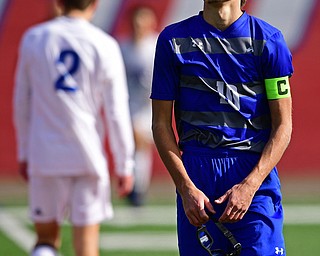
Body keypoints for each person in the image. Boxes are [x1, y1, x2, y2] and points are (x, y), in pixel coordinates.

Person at [151, 0, 293, 255]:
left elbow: (283, 125)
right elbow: (160, 124)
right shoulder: (172, 40)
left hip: (253, 173)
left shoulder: (269, 40)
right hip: (197, 176)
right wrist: (185, 187)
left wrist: (250, 186)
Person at [13, 0, 135, 255]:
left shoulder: (34, 38)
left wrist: (24, 152)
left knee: (45, 240)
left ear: (58, 2)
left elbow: (21, 101)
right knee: (87, 246)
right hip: (87, 154)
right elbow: (117, 111)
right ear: (95, 4)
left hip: (44, 153)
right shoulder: (105, 44)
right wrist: (125, 164)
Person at [119, 6, 158, 206]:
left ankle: (137, 189)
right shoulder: (123, 48)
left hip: (151, 106)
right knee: (132, 146)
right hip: (128, 105)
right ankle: (134, 187)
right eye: (135, 23)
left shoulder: (156, 46)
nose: (139, 27)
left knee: (140, 144)